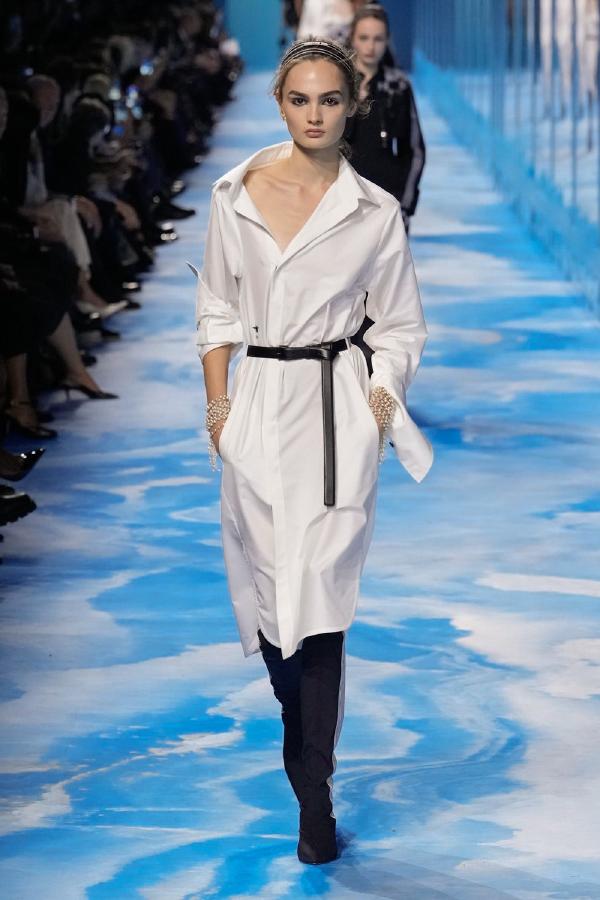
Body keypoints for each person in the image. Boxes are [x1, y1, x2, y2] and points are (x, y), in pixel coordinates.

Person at [195, 37, 433, 865]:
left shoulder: (375, 213)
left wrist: (380, 398)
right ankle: (302, 745)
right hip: (259, 405)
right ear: (280, 102)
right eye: (300, 99)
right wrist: (219, 412)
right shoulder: (236, 195)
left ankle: (314, 799)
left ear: (351, 106)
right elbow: (216, 309)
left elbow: (400, 325)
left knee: (323, 602)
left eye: (330, 100)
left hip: (337, 415)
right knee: (272, 602)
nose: (315, 114)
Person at [345, 4, 425, 234]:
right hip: (342, 200)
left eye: (378, 39)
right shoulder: (337, 84)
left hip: (387, 202)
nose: (370, 46)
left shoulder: (398, 87)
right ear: (352, 38)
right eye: (364, 38)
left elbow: (415, 151)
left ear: (387, 40)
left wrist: (405, 206)